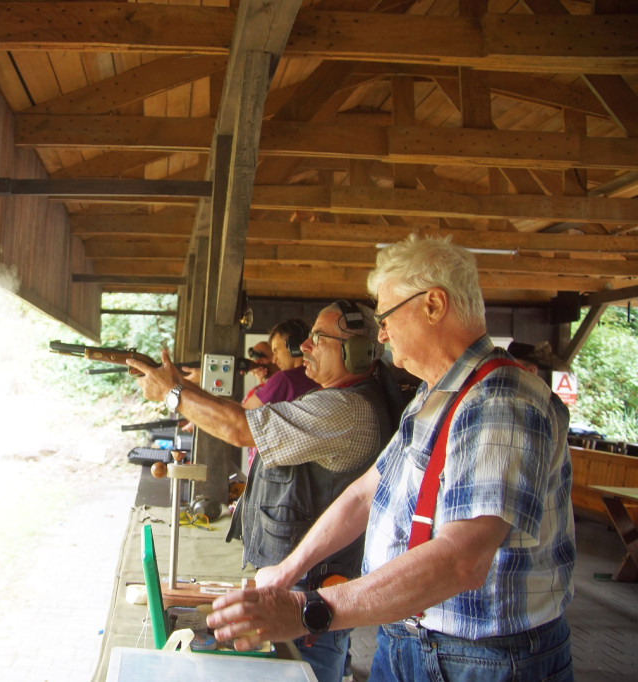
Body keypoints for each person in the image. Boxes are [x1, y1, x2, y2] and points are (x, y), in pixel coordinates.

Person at [206, 234, 575, 682]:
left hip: (481, 659)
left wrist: (310, 611)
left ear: (434, 305)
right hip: (411, 640)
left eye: (387, 316)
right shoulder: (432, 395)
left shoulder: (500, 400)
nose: (381, 333)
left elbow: (462, 560)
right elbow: (367, 492)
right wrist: (287, 571)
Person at [126, 302, 402, 682]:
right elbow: (246, 415)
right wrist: (180, 386)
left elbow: (242, 429)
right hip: (300, 589)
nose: (304, 347)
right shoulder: (342, 399)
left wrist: (174, 394)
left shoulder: (346, 409)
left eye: (317, 339)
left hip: (306, 603)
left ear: (356, 354)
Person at [241, 318, 318, 410]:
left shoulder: (284, 378)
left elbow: (243, 413)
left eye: (276, 350)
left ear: (294, 346)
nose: (274, 360)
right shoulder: (319, 374)